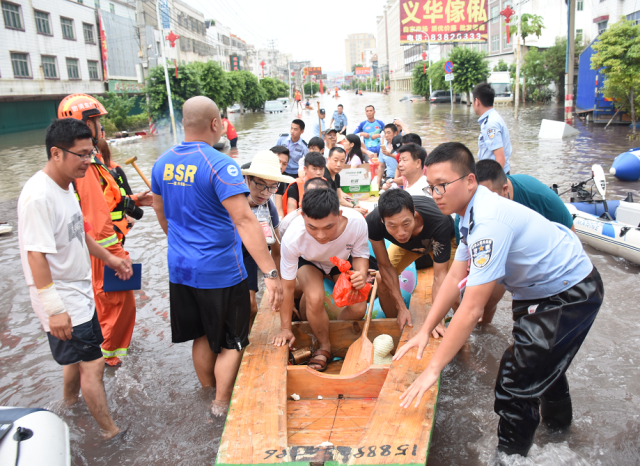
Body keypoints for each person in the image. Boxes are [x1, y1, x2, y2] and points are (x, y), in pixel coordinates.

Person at [394, 142, 603, 457]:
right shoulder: (468, 214)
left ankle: (509, 458)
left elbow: (473, 306)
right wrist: (425, 329)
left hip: (569, 291)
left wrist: (434, 368)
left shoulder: (488, 222)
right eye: (432, 187)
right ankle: (561, 434)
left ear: (469, 181)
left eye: (443, 186)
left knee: (515, 377)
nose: (436, 195)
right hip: (538, 290)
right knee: (539, 364)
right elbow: (453, 277)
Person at [151, 96, 284, 417]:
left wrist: (179, 242)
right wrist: (271, 273)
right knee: (231, 342)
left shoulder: (161, 163)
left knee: (201, 336)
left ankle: (206, 391)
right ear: (215, 124)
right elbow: (244, 220)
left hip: (180, 269)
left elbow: (159, 209)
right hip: (221, 271)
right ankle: (221, 404)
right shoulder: (221, 164)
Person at [18, 118, 133, 439]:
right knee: (93, 365)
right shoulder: (38, 196)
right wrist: (55, 309)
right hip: (61, 296)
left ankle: (68, 406)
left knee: (77, 360)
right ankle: (110, 432)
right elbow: (35, 256)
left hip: (80, 293)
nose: (89, 161)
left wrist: (111, 258)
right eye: (82, 155)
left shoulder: (66, 186)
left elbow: (79, 233)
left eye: (91, 153)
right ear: (56, 153)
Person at [58, 94, 152, 367]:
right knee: (117, 305)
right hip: (105, 250)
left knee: (114, 304)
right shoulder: (85, 166)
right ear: (85, 124)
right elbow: (96, 218)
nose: (101, 127)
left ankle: (108, 356)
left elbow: (107, 200)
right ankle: (109, 362)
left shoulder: (92, 161)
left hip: (106, 247)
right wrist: (114, 255)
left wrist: (134, 200)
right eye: (97, 121)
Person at [272, 188, 370, 372]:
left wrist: (362, 274)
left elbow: (361, 255)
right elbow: (287, 287)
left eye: (328, 227)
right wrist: (285, 328)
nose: (321, 236)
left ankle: (333, 333)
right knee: (315, 297)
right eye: (312, 227)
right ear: (302, 216)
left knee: (358, 307)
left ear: (340, 215)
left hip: (339, 260)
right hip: (309, 262)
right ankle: (324, 345)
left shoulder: (357, 222)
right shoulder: (293, 237)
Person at [472, 159, 576, 324]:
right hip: (501, 253)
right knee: (484, 302)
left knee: (530, 318)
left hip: (541, 257)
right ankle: (484, 329)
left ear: (504, 190)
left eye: (487, 197)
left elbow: (571, 233)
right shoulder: (470, 209)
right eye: (478, 198)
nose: (482, 205)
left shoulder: (537, 195)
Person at [367, 189, 456, 331]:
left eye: (406, 223)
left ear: (414, 212)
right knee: (381, 278)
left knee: (454, 289)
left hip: (440, 240)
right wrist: (401, 308)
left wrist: (436, 321)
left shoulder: (439, 221)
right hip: (408, 246)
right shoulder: (373, 222)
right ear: (382, 220)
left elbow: (440, 277)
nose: (401, 233)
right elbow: (384, 265)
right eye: (392, 226)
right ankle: (396, 325)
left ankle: (463, 330)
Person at [240, 151, 294, 322]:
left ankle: (246, 344)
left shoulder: (269, 209)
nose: (265, 192)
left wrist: (278, 283)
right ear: (247, 179)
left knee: (249, 305)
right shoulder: (232, 200)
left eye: (272, 187)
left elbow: (276, 250)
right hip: (228, 253)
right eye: (261, 185)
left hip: (249, 254)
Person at [472, 82, 512, 174]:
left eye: (472, 101)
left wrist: (495, 184)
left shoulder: (490, 123)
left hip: (496, 176)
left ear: (477, 101)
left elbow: (500, 159)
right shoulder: (493, 117)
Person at [270, 145, 290, 219]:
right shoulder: (248, 172)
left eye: (284, 164)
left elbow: (278, 208)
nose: (280, 166)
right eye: (278, 161)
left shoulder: (280, 180)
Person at [378, 123, 399, 189]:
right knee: (385, 186)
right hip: (390, 177)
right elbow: (381, 166)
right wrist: (378, 184)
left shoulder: (400, 145)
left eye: (388, 133)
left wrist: (390, 154)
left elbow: (403, 159)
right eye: (385, 133)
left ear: (395, 133)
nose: (386, 135)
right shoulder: (383, 148)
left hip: (401, 176)